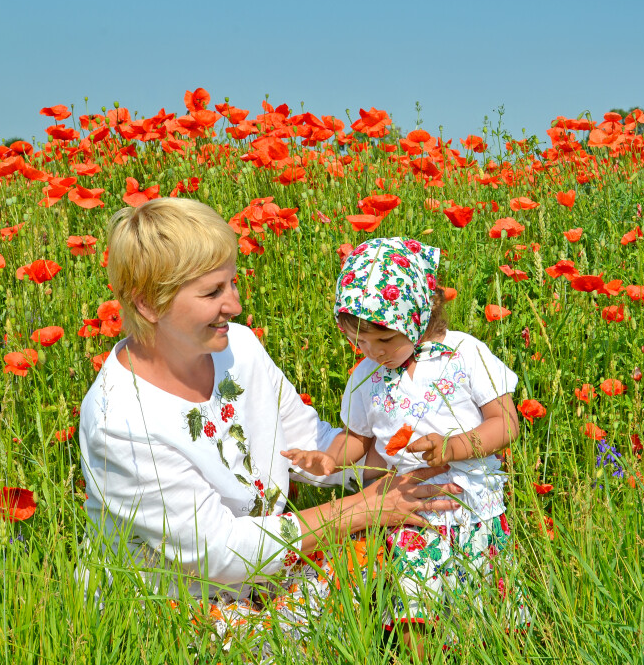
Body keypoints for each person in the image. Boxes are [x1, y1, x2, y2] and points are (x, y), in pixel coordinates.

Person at [77, 198, 461, 649]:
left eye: (233, 283)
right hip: (180, 602)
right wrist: (364, 508)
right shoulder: (120, 420)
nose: (235, 306)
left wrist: (409, 449)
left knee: (417, 535)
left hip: (269, 571)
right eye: (212, 293)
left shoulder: (238, 348)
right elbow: (219, 553)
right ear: (148, 304)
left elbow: (309, 444)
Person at [282, 236, 527, 656]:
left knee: (485, 617)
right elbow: (357, 440)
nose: (373, 353)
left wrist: (453, 447)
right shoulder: (364, 378)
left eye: (384, 340)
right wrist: (326, 458)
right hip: (410, 514)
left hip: (477, 510)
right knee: (414, 611)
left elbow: (505, 423)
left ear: (417, 316)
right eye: (360, 342)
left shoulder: (464, 354)